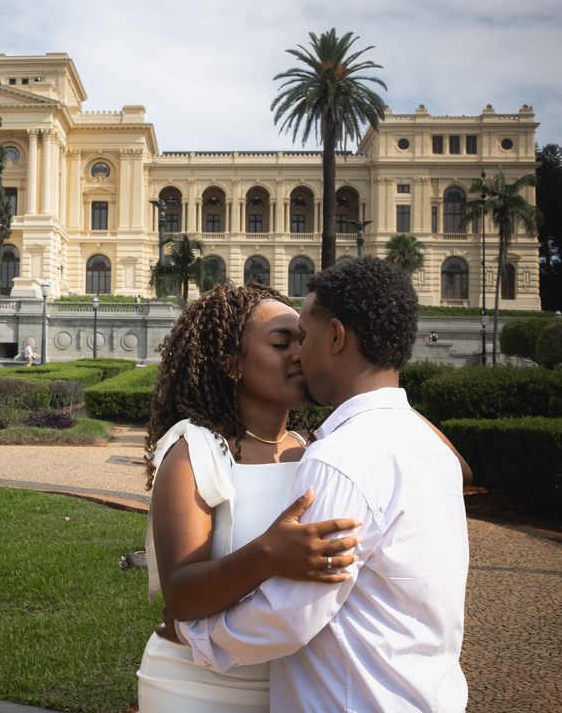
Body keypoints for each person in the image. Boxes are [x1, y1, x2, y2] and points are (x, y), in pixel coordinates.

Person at [156, 257, 471, 712]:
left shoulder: (332, 454)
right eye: (284, 341)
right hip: (219, 690)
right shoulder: (203, 452)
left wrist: (194, 632)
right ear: (231, 362)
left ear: (337, 337)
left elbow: (290, 616)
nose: (299, 354)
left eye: (303, 338)